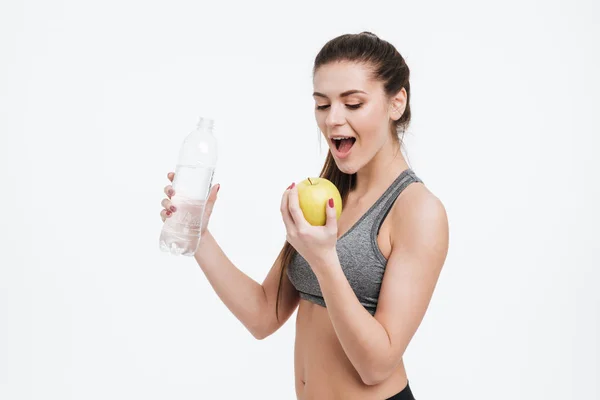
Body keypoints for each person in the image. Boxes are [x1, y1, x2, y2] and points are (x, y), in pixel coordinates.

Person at [160, 32, 449, 400]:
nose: (333, 120)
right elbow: (264, 315)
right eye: (323, 105)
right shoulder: (329, 191)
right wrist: (198, 235)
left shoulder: (418, 211)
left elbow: (377, 365)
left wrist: (325, 261)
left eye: (353, 103)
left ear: (396, 102)